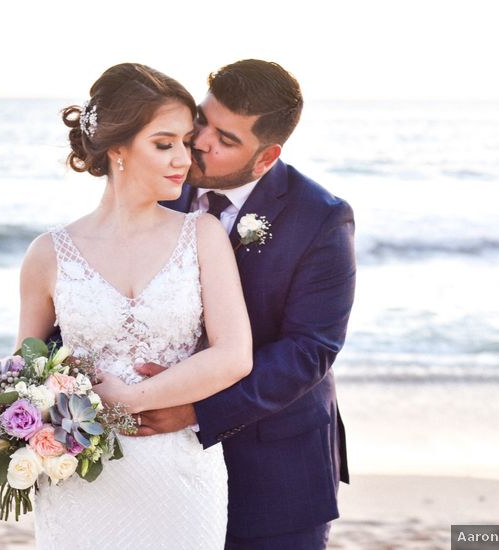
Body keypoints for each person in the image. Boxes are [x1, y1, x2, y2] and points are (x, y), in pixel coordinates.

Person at [14, 63, 252, 549]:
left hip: (181, 473)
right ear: (117, 149)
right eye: (164, 144)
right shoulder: (48, 253)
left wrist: (136, 399)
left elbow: (234, 355)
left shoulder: (202, 235)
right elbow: (25, 373)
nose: (183, 159)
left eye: (187, 142)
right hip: (80, 478)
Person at [140, 59, 357, 549]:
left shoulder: (321, 219)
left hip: (276, 470)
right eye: (203, 120)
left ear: (266, 156)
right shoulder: (156, 188)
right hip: (160, 463)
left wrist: (198, 408)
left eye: (227, 139)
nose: (199, 142)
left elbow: (310, 350)